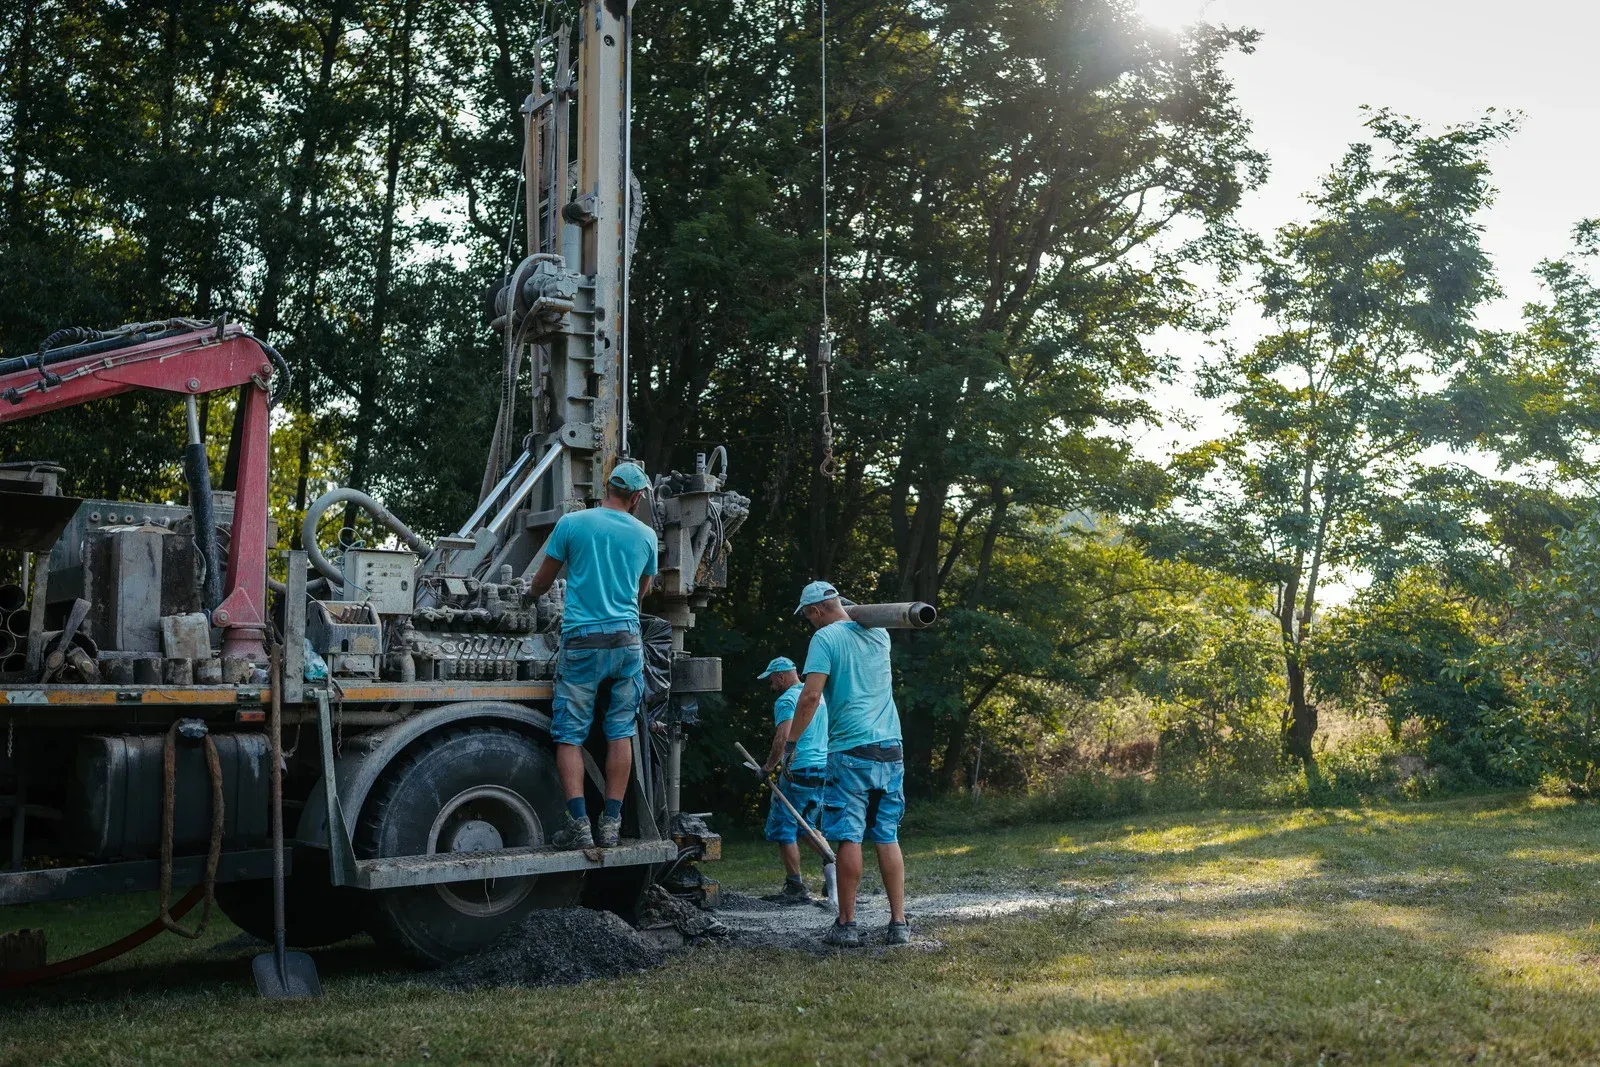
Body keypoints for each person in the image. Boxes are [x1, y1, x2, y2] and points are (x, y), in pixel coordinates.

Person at [529, 460, 658, 849]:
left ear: (608, 487)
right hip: (626, 643)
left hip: (583, 641)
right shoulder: (646, 535)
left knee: (570, 735)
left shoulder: (573, 523)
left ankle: (579, 825)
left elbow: (542, 580)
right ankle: (612, 825)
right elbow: (642, 590)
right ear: (636, 497)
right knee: (621, 732)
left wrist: (530, 598)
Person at [786, 580, 909, 947]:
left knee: (849, 836)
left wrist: (791, 742)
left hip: (851, 750)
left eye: (809, 617)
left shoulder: (825, 639)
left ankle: (847, 925)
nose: (810, 623)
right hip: (890, 746)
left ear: (814, 611)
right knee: (887, 834)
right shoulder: (879, 633)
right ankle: (899, 924)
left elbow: (810, 697)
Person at [756, 655, 830, 903]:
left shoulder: (787, 699)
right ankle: (836, 873)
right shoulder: (819, 697)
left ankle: (795, 887)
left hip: (798, 770)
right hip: (821, 769)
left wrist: (767, 768)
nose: (771, 685)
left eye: (771, 680)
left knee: (783, 827)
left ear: (780, 676)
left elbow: (783, 738)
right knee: (806, 826)